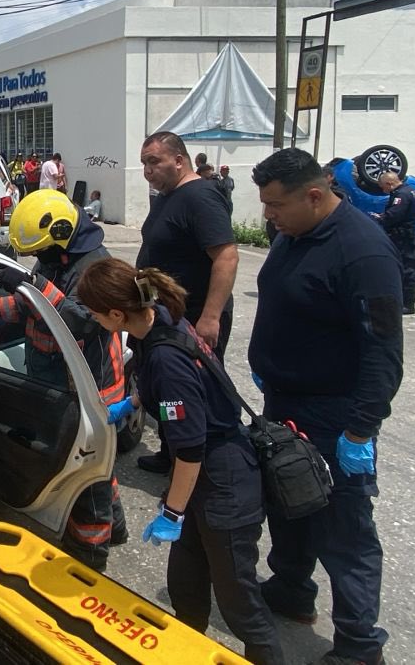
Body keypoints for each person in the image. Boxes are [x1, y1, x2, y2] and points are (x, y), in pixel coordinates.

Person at [77, 259, 283, 665]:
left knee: (239, 602)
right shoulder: (161, 323)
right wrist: (131, 403)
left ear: (116, 314)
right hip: (204, 478)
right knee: (186, 585)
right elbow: (168, 388)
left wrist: (173, 511)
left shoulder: (166, 357)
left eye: (96, 312)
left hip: (223, 479)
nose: (93, 318)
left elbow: (190, 449)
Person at [248, 148, 403, 665]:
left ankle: (360, 646)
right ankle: (292, 590)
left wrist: (361, 430)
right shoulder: (295, 234)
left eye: (275, 205)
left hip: (335, 414)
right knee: (289, 504)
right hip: (287, 401)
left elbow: (383, 349)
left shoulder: (363, 252)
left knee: (344, 529)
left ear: (315, 196)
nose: (268, 215)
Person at [3, 189, 128, 569]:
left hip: (90, 387)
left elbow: (85, 322)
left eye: (41, 252)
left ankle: (91, 553)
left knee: (87, 470)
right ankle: (116, 526)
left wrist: (38, 288)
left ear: (61, 234)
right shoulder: (60, 258)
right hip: (59, 381)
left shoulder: (94, 267)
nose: (38, 260)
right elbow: (33, 308)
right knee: (100, 466)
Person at [135, 131, 239, 475]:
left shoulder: (200, 197)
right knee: (166, 392)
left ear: (179, 160)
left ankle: (200, 469)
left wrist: (210, 318)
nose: (147, 170)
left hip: (193, 317)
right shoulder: (168, 196)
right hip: (164, 317)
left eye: (154, 161)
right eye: (144, 163)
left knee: (192, 394)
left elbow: (226, 257)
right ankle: (172, 451)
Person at [371, 170, 415, 315]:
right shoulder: (412, 191)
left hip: (402, 238)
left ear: (389, 183)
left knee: (407, 271)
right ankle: (405, 301)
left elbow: (394, 215)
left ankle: (407, 303)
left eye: (383, 187)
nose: (383, 190)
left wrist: (380, 218)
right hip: (408, 235)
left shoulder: (401, 195)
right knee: (406, 270)